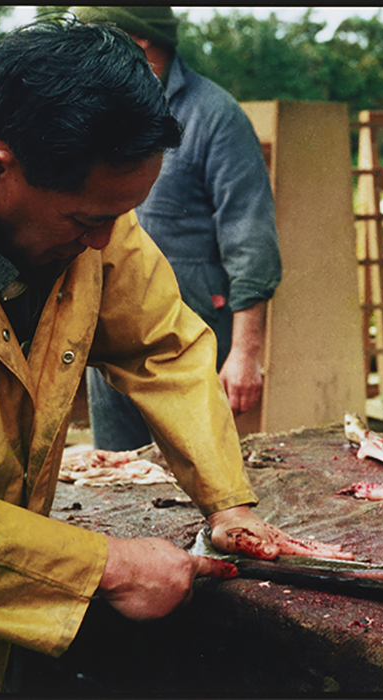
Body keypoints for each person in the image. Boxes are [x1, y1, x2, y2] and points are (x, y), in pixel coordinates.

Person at [0, 18, 336, 693]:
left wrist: (228, 502)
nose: (104, 244)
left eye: (118, 217)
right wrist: (110, 565)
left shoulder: (77, 196)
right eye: (87, 222)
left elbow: (166, 344)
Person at [70, 6, 282, 452]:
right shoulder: (98, 111)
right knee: (118, 471)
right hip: (109, 327)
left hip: (190, 332)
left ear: (139, 43)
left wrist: (245, 354)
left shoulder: (216, 117)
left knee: (197, 469)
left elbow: (251, 240)